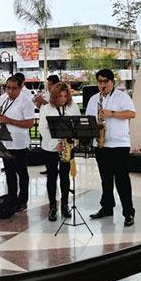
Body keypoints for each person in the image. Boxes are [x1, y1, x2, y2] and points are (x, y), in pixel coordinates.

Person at [86, 69, 137, 226]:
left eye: (105, 82)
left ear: (112, 82)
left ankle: (128, 213)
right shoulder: (94, 99)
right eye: (99, 82)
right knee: (105, 179)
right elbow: (88, 118)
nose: (102, 85)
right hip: (101, 144)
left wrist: (111, 113)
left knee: (122, 180)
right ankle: (107, 207)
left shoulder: (122, 96)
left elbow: (131, 114)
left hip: (119, 144)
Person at [38, 82, 79, 221]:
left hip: (67, 147)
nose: (63, 99)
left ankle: (65, 205)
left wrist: (70, 142)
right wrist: (56, 144)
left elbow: (77, 127)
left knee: (65, 177)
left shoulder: (73, 107)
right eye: (60, 96)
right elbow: (42, 129)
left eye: (65, 96)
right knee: (52, 177)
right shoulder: (46, 109)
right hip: (50, 148)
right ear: (54, 96)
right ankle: (52, 207)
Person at [0, 76, 36, 213]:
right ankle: (12, 197)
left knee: (22, 173)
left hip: (19, 144)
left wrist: (9, 121)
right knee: (9, 173)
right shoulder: (3, 99)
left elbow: (30, 123)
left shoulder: (26, 102)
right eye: (8, 88)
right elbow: (0, 117)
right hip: (5, 142)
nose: (10, 91)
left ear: (20, 88)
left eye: (14, 88)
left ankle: (23, 200)